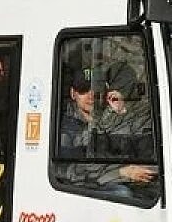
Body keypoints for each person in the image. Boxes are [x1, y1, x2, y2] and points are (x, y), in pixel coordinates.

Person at [57, 66, 158, 196]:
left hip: (127, 180)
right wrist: (121, 173)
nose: (91, 95)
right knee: (122, 194)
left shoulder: (111, 116)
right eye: (83, 90)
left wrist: (121, 112)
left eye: (96, 89)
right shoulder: (66, 128)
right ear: (73, 93)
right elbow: (73, 171)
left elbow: (137, 145)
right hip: (84, 187)